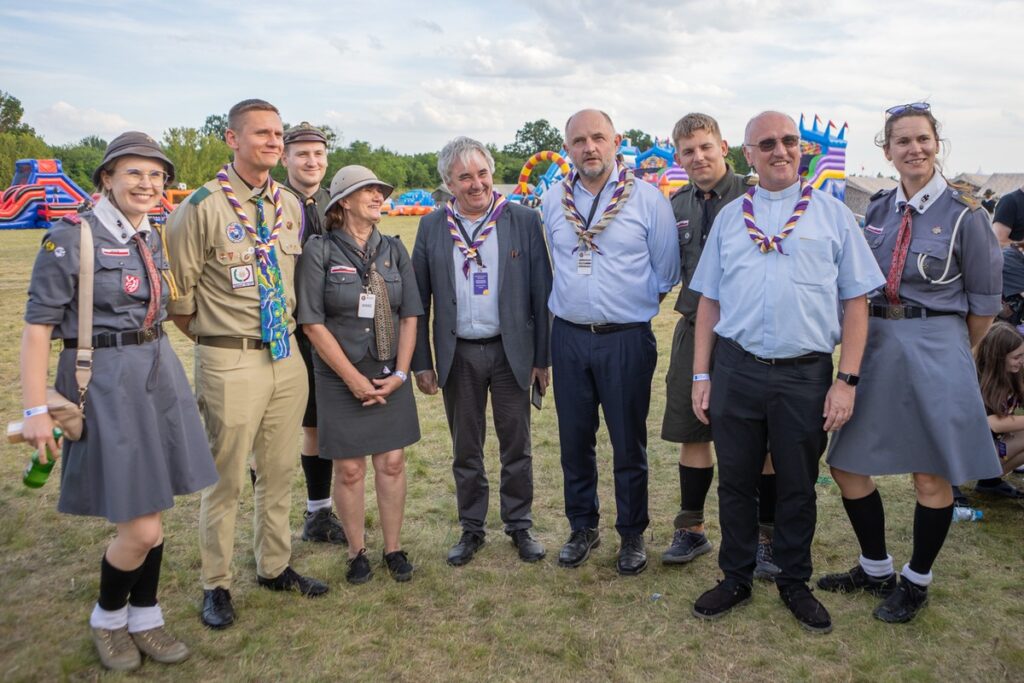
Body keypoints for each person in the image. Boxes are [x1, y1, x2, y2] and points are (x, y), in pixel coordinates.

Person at [20, 132, 218, 670]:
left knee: (154, 506)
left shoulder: (149, 235)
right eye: (134, 173)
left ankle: (145, 616)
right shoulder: (70, 237)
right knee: (142, 526)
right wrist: (36, 407)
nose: (148, 184)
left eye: (156, 176)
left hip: (157, 372)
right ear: (106, 178)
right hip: (105, 380)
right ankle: (109, 618)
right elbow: (38, 328)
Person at [689, 111, 884, 633]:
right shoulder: (731, 218)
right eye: (767, 143)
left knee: (797, 482)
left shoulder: (833, 215)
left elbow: (857, 303)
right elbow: (709, 301)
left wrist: (847, 381)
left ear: (802, 150)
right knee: (735, 480)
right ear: (747, 154)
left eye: (790, 141)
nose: (781, 150)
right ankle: (736, 575)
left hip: (805, 373)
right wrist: (700, 375)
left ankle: (794, 580)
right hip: (737, 368)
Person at [820, 102, 1003, 624]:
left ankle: (916, 580)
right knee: (846, 464)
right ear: (887, 150)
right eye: (903, 141)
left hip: (936, 346)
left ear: (936, 144)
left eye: (922, 139)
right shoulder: (876, 211)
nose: (914, 149)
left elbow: (984, 305)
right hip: (876, 343)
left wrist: (946, 348)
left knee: (930, 476)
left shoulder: (967, 215)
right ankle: (875, 567)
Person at [165, 99, 328, 631]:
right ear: (232, 139)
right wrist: (222, 343)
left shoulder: (288, 205)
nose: (274, 142)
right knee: (227, 478)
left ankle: (274, 566)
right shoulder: (200, 207)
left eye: (278, 134)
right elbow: (179, 302)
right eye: (262, 133)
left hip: (285, 359)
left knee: (278, 471)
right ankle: (216, 583)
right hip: (229, 359)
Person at [542, 109, 680, 576]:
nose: (589, 148)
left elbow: (665, 272)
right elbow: (553, 266)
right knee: (574, 441)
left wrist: (625, 306)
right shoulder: (552, 201)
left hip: (625, 339)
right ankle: (582, 526)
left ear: (616, 141)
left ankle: (632, 533)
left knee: (628, 442)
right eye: (578, 140)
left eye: (598, 137)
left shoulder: (648, 200)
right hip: (569, 337)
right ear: (568, 148)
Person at [412, 136, 552, 566]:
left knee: (517, 446)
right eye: (464, 177)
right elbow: (419, 301)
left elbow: (541, 291)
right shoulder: (432, 226)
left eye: (483, 174)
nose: (476, 184)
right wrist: (422, 361)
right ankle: (471, 529)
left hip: (512, 353)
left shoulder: (523, 219)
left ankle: (519, 526)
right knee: (466, 448)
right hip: (460, 356)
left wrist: (542, 358)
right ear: (448, 183)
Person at [658, 112, 779, 579]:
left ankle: (765, 536)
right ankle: (692, 527)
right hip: (695, 326)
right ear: (678, 157)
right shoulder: (678, 204)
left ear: (724, 146)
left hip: (748, 330)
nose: (699, 157)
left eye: (706, 147)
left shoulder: (757, 196)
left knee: (763, 438)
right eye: (688, 151)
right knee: (693, 428)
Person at [296, 165, 422, 584]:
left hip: (388, 370)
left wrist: (402, 374)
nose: (377, 196)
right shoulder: (320, 250)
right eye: (367, 190)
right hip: (339, 375)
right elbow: (312, 323)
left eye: (379, 191)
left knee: (392, 463)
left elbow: (411, 316)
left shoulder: (394, 250)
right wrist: (351, 378)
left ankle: (393, 548)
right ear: (343, 202)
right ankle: (356, 552)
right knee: (349, 469)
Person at [279, 121, 347, 544]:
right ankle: (269, 517)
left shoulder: (333, 203)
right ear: (285, 157)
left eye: (318, 154)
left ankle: (318, 512)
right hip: (283, 329)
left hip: (328, 327)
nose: (311, 161)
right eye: (302, 153)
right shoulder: (271, 201)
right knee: (274, 428)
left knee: (318, 423)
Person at [976, 322, 1024, 485]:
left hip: (993, 445)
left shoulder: (1012, 373)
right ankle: (987, 475)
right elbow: (993, 423)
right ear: (998, 357)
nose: (1021, 361)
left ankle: (990, 480)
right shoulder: (978, 380)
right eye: (1016, 357)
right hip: (970, 452)